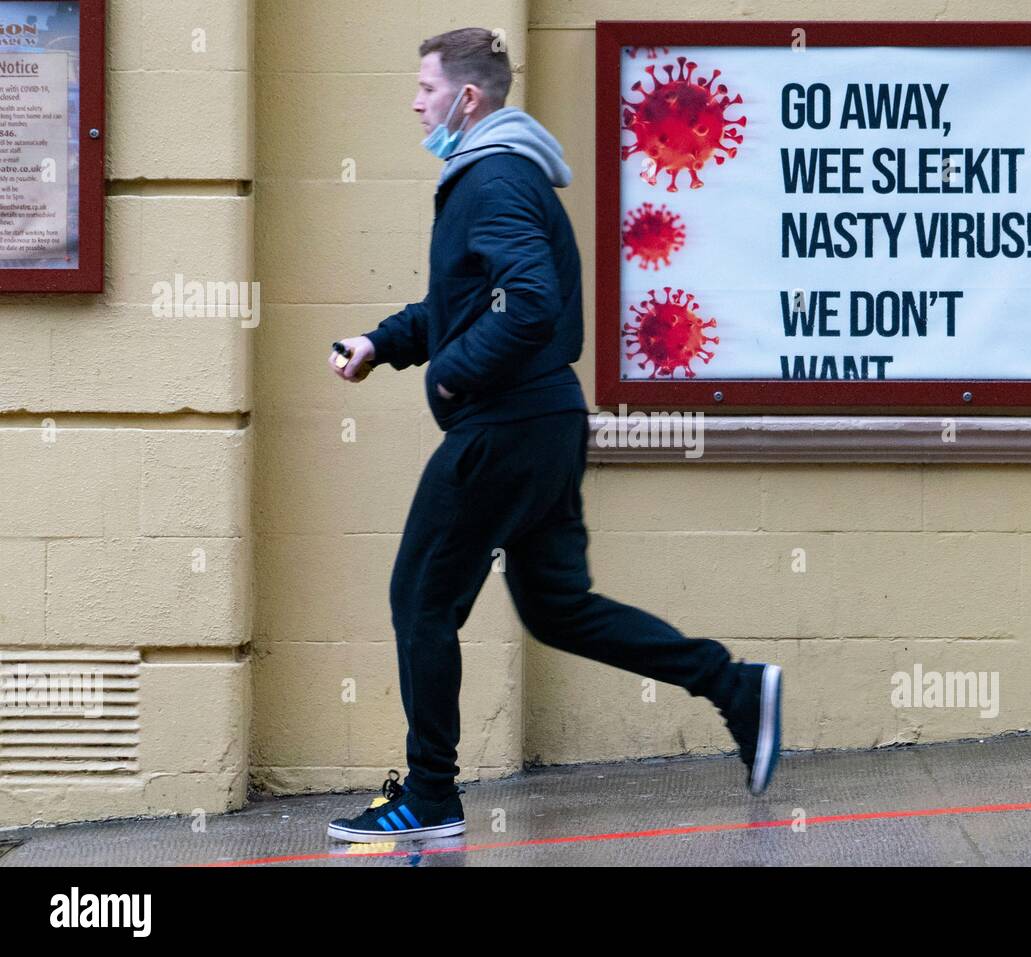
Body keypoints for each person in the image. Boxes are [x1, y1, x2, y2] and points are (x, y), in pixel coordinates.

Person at [324, 27, 782, 844]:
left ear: (467, 97)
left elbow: (527, 301)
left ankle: (429, 797)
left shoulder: (492, 177)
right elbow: (467, 305)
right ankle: (732, 684)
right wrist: (386, 344)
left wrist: (453, 375)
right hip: (542, 420)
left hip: (505, 424)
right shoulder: (499, 173)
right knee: (558, 608)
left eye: (425, 87)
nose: (414, 101)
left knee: (420, 597)